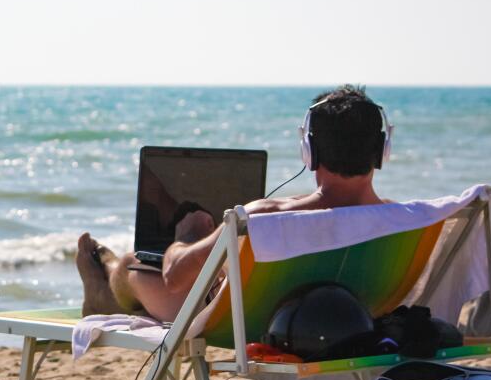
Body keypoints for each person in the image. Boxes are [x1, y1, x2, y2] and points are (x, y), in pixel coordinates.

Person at [76, 85, 391, 322]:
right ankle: (105, 270)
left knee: (135, 265)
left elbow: (174, 276)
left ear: (309, 151)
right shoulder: (402, 219)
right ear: (381, 151)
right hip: (351, 323)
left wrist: (187, 236)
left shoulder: (263, 216)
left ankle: (104, 280)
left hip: (244, 325)